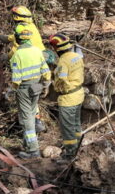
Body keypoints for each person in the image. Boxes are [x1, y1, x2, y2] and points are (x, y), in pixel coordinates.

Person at [9, 25, 51, 159]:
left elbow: (16, 79)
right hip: (36, 87)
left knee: (27, 118)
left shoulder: (17, 55)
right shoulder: (37, 51)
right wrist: (45, 85)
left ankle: (33, 150)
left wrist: (11, 90)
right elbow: (46, 71)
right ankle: (28, 144)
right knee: (32, 113)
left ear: (18, 40)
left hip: (24, 90)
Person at [48, 33, 85, 162]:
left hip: (68, 99)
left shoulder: (63, 61)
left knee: (68, 128)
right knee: (76, 125)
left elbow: (62, 78)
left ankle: (70, 155)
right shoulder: (77, 56)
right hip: (79, 95)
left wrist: (56, 84)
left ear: (57, 49)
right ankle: (79, 148)